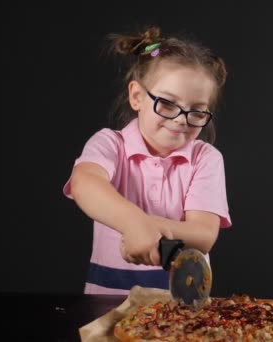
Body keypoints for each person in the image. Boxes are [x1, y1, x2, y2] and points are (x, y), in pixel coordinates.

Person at [63, 26, 232, 295]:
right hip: (107, 298)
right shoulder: (110, 144)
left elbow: (203, 234)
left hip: (181, 302)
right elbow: (85, 183)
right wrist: (133, 223)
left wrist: (151, 228)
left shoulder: (205, 159)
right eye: (167, 103)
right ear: (137, 97)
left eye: (197, 112)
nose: (180, 119)